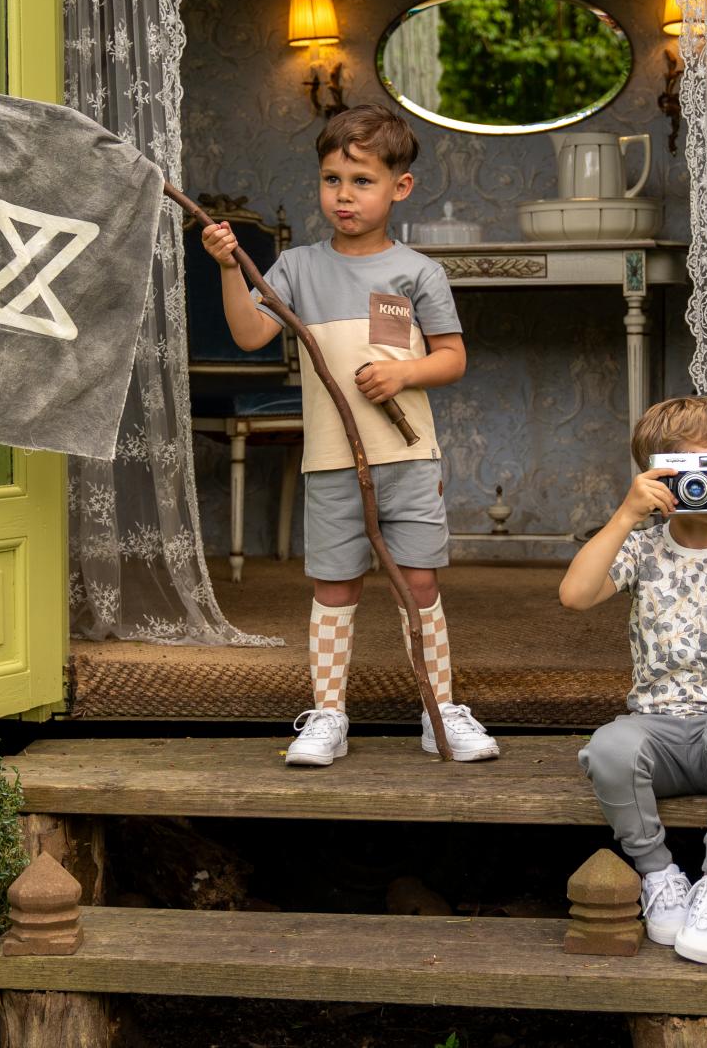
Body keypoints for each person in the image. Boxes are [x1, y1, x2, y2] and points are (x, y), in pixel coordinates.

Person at [200, 104, 499, 767]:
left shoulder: (417, 272)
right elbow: (249, 333)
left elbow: (452, 357)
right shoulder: (297, 267)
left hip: (408, 456)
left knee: (419, 584)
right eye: (332, 179)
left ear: (400, 187)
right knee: (334, 588)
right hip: (333, 461)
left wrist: (404, 373)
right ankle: (328, 714)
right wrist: (228, 268)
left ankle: (440, 710)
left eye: (362, 181)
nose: (344, 194)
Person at [559, 396, 707, 964]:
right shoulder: (642, 547)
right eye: (698, 471)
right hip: (658, 731)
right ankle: (659, 875)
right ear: (659, 477)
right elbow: (575, 595)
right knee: (609, 746)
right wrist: (626, 515)